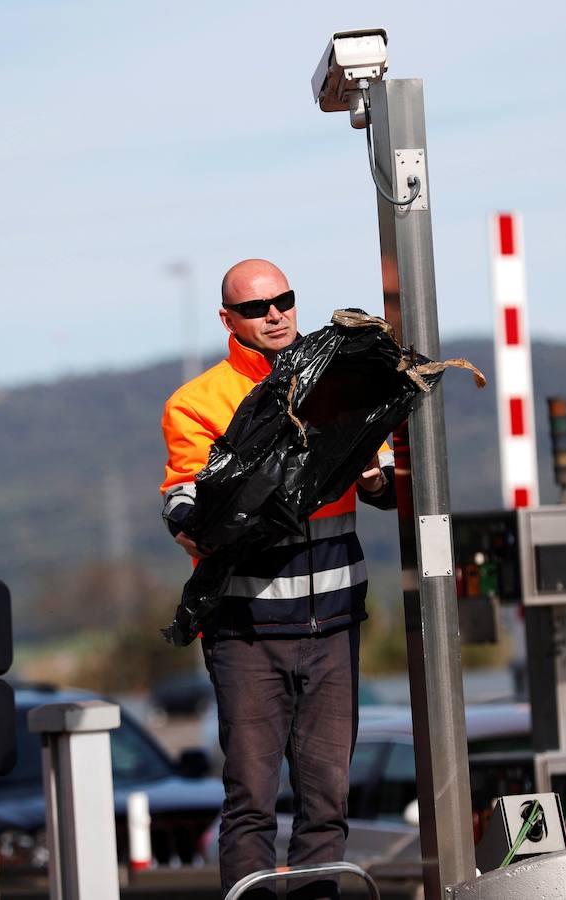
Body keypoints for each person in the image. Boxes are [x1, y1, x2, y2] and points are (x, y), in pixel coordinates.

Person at [160, 259, 396, 900]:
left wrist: (379, 478)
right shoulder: (198, 403)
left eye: (284, 300)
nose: (276, 314)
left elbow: (390, 477)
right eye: (258, 308)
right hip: (247, 634)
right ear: (228, 320)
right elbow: (182, 499)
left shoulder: (340, 379)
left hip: (334, 625)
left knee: (326, 802)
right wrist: (197, 516)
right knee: (252, 802)